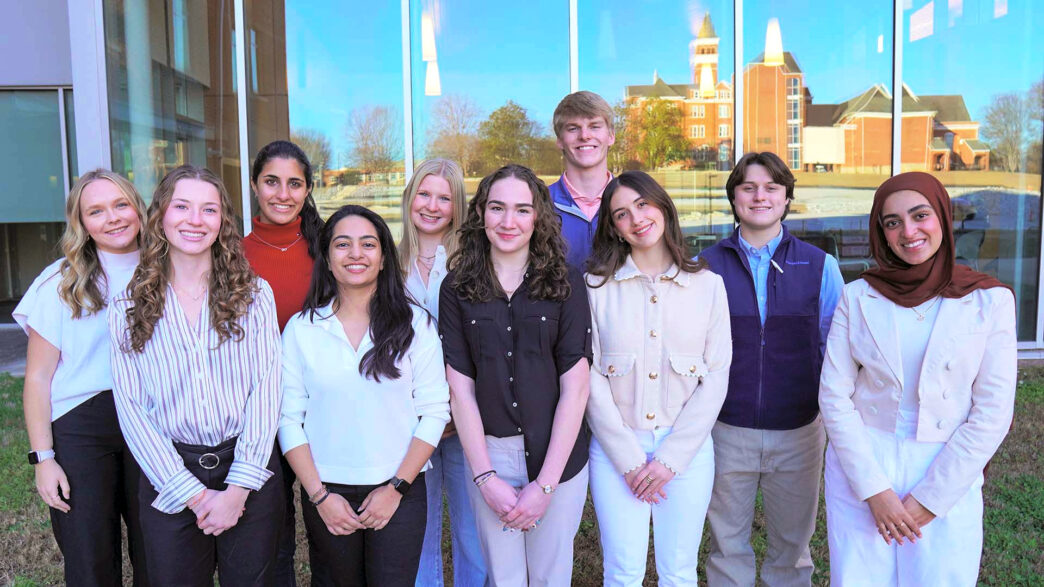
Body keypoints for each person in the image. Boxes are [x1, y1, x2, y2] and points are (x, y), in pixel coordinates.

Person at [819, 171, 1016, 585]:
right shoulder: (858, 296)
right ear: (882, 232)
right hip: (864, 460)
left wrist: (931, 499)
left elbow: (993, 411)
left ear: (942, 217)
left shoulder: (989, 300)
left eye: (920, 215)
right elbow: (834, 399)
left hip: (946, 464)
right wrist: (874, 491)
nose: (908, 231)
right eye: (892, 222)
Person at [109, 164, 284, 585]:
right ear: (161, 216)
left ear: (222, 221)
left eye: (208, 210)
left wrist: (238, 489)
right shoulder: (128, 307)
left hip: (247, 466)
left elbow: (267, 388)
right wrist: (190, 492)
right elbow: (132, 408)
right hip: (168, 473)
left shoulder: (255, 296)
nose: (194, 220)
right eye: (182, 206)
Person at [279, 205, 450, 585]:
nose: (356, 253)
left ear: (384, 256)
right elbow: (288, 419)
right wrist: (319, 496)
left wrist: (396, 489)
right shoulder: (301, 330)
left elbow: (436, 412)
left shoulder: (416, 325)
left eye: (368, 244)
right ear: (326, 257)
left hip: (399, 490)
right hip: (327, 492)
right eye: (343, 244)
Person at [439, 164, 592, 586]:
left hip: (557, 455)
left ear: (538, 217)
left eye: (522, 210)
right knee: (504, 579)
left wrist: (546, 485)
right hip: (492, 455)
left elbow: (576, 388)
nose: (509, 222)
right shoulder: (456, 288)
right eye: (497, 208)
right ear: (481, 214)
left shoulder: (567, 282)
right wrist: (485, 478)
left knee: (550, 578)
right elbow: (460, 389)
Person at [699, 152, 843, 586]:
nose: (759, 196)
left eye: (771, 188)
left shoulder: (821, 267)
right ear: (734, 198)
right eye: (748, 187)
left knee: (793, 547)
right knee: (726, 544)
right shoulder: (704, 267)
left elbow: (836, 350)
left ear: (786, 199)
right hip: (726, 428)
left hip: (799, 430)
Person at [584, 171, 732, 585]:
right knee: (623, 570)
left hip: (686, 451)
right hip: (617, 451)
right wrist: (630, 462)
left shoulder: (709, 287)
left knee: (679, 571)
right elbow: (591, 379)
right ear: (614, 230)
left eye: (643, 204)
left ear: (663, 206)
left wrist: (670, 460)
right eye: (621, 215)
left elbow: (716, 376)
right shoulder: (596, 288)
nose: (636, 219)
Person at [14, 170, 149, 586]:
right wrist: (44, 458)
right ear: (81, 222)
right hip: (82, 426)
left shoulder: (169, 268)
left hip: (153, 420)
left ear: (139, 209)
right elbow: (37, 377)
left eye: (121, 204)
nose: (112, 218)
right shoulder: (61, 281)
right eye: (96, 210)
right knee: (90, 558)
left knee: (161, 551)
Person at [398, 159, 488, 587]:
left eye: (444, 197)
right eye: (424, 194)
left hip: (464, 416)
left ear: (458, 206)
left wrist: (457, 409)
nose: (432, 206)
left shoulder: (475, 264)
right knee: (418, 527)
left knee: (473, 529)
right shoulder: (386, 261)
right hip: (408, 418)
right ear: (410, 198)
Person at [244, 139, 324, 585]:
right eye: (272, 181)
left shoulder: (328, 248)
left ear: (308, 189)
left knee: (326, 513)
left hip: (318, 406)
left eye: (295, 184)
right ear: (255, 185)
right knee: (269, 524)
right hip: (255, 408)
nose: (282, 193)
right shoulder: (229, 253)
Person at [549, 90, 616, 268]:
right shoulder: (539, 205)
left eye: (594, 126)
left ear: (611, 136)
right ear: (560, 140)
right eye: (573, 128)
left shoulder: (635, 205)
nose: (585, 135)